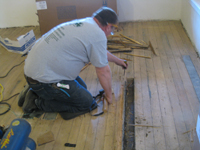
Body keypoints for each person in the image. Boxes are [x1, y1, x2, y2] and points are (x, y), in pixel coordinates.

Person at [18, 6, 128, 120]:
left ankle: (33, 91)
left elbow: (99, 51)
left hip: (36, 71)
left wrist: (118, 61)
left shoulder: (87, 23)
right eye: (112, 30)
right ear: (109, 26)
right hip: (45, 81)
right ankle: (36, 103)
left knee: (82, 88)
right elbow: (103, 71)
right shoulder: (98, 35)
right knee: (86, 103)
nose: (111, 34)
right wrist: (109, 95)